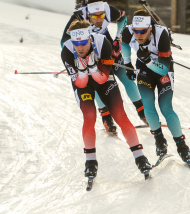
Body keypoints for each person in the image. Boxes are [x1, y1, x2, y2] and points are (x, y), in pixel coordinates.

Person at [61, 19, 152, 178]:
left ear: (90, 38)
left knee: (120, 115)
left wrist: (91, 67)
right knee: (89, 117)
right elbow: (80, 82)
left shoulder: (102, 42)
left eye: (83, 42)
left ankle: (140, 157)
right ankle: (90, 161)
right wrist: (82, 71)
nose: (80, 47)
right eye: (77, 42)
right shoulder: (67, 50)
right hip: (83, 84)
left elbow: (102, 78)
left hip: (103, 78)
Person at [61, 0, 147, 134]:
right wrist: (76, 56)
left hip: (106, 47)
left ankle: (142, 112)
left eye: (101, 15)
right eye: (94, 16)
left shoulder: (109, 10)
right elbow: (63, 42)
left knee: (125, 77)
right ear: (88, 14)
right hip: (90, 53)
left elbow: (123, 18)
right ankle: (106, 116)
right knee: (97, 83)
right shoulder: (78, 18)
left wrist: (118, 38)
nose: (99, 19)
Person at [120, 9, 190, 163]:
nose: (138, 34)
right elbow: (124, 43)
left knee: (165, 107)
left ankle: (182, 146)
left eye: (143, 31)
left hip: (162, 69)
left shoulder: (161, 35)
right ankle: (159, 140)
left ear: (150, 28)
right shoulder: (128, 31)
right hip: (144, 71)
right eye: (136, 31)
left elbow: (164, 69)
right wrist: (127, 62)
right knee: (148, 106)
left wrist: (148, 60)